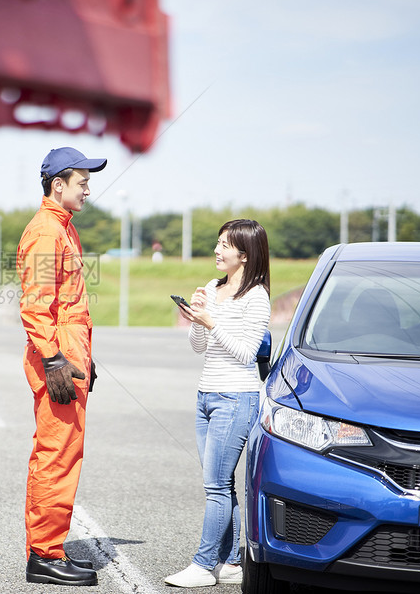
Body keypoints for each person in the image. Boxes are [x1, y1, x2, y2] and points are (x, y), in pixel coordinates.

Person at [17, 147, 106, 586]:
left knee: (64, 452)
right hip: (57, 357)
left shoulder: (63, 229)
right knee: (56, 454)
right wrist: (54, 359)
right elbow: (36, 306)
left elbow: (70, 305)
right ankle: (44, 554)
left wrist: (84, 357)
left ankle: (49, 547)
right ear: (59, 185)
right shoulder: (47, 232)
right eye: (82, 181)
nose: (89, 188)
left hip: (70, 353)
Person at [165, 219, 271, 588]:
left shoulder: (256, 297)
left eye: (224, 245)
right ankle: (229, 564)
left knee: (215, 484)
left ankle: (203, 564)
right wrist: (196, 319)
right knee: (221, 484)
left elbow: (246, 353)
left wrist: (211, 322)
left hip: (237, 397)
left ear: (245, 254)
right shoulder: (213, 287)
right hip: (206, 396)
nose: (217, 250)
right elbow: (199, 347)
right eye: (218, 242)